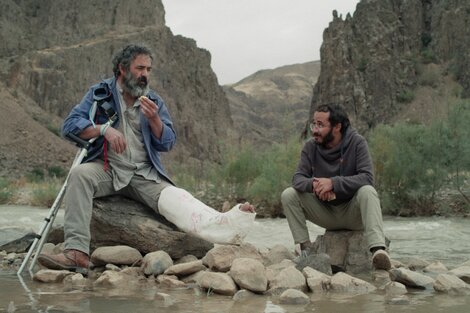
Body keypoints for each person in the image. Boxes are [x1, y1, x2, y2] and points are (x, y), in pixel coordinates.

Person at [38, 44, 255, 273]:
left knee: (179, 201)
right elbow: (69, 127)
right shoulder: (99, 93)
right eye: (140, 68)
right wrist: (103, 130)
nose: (145, 75)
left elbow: (168, 142)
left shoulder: (153, 100)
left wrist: (155, 121)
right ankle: (76, 253)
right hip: (108, 169)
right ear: (122, 69)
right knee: (79, 175)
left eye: (149, 69)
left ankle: (231, 222)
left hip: (144, 174)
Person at [281, 103, 391, 270]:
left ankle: (378, 250)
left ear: (337, 127)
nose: (314, 130)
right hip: (326, 213)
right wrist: (317, 185)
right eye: (314, 124)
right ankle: (306, 250)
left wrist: (333, 183)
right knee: (288, 195)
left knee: (368, 191)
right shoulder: (310, 147)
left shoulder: (357, 143)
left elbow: (367, 178)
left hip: (353, 213)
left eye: (320, 125)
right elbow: (297, 179)